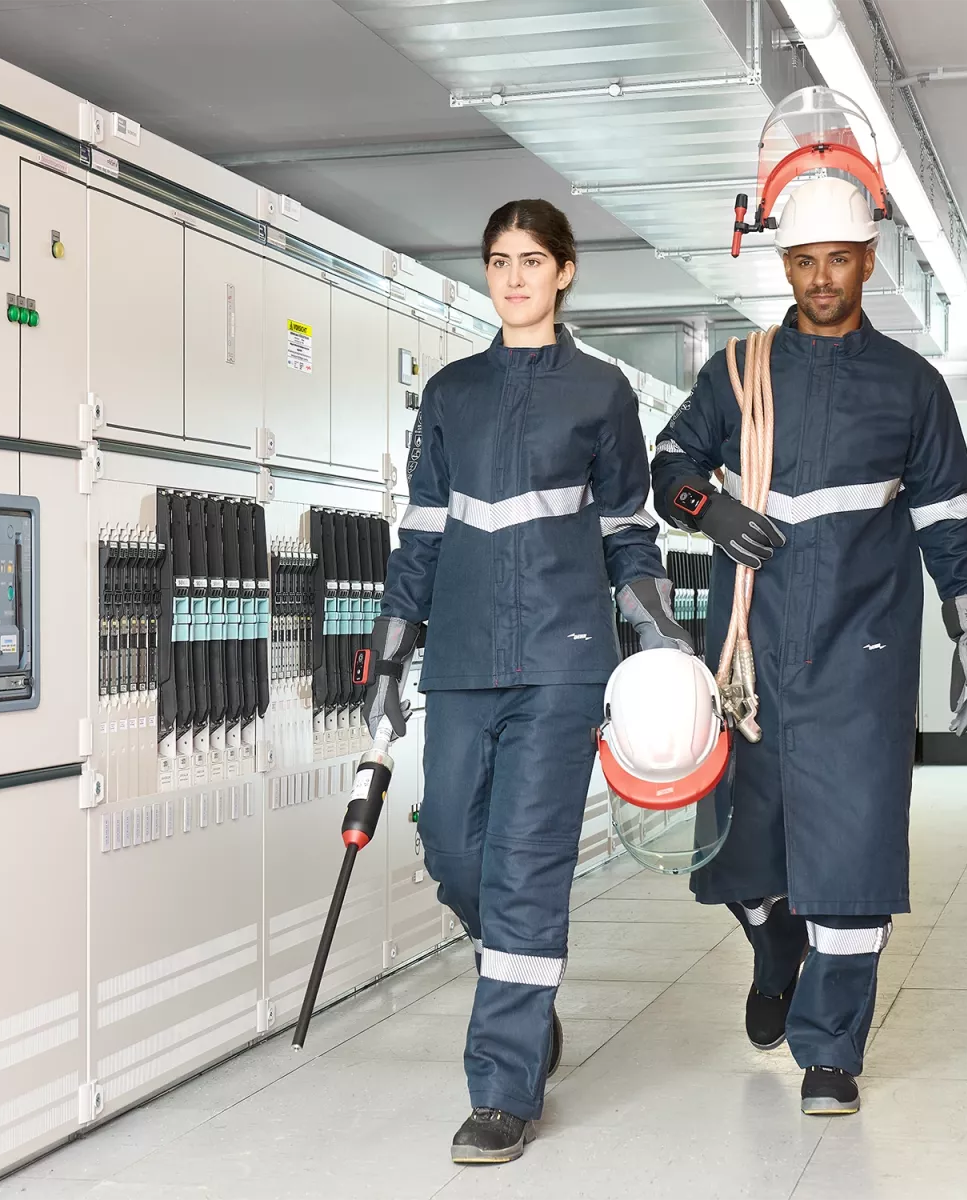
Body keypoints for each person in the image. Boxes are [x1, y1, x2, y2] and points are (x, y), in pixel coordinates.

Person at [651, 176, 967, 1115]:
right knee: (738, 852)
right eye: (804, 262)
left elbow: (949, 517)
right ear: (785, 265)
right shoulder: (736, 372)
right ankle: (775, 952)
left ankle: (831, 1050)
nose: (821, 279)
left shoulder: (910, 386)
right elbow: (669, 464)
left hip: (862, 652)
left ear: (868, 262)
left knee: (851, 853)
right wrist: (708, 507)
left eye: (838, 260)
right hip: (750, 650)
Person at [362, 198, 693, 1163]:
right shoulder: (452, 395)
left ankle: (504, 1091)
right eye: (500, 260)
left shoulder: (599, 393)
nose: (514, 276)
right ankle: (523, 983)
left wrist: (655, 625)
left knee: (524, 866)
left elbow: (628, 529)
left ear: (565, 272)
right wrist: (390, 655)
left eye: (532, 260)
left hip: (561, 658)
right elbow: (421, 534)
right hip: (462, 658)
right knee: (456, 855)